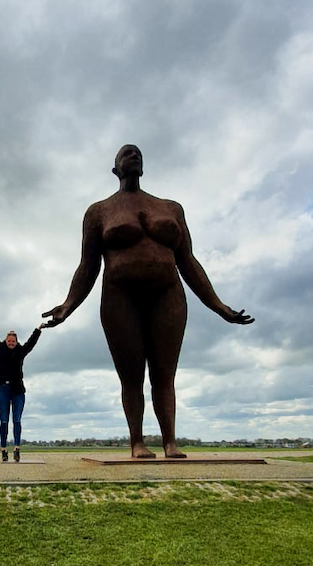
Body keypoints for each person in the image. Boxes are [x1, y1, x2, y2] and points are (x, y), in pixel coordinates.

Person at [43, 143, 253, 459]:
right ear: (115, 169)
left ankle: (170, 441)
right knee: (131, 376)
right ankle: (137, 442)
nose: (134, 155)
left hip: (167, 294)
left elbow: (189, 261)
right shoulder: (99, 212)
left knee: (164, 373)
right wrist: (67, 305)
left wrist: (218, 305)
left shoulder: (170, 208)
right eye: (127, 153)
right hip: (119, 296)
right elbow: (88, 266)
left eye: (138, 153)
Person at [0, 309, 41, 462]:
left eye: (13, 341)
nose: (11, 343)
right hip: (3, 388)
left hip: (18, 391)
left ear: (16, 342)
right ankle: (3, 450)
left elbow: (31, 343)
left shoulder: (21, 351)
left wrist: (38, 329)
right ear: (6, 341)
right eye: (9, 341)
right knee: (3, 421)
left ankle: (16, 449)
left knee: (17, 420)